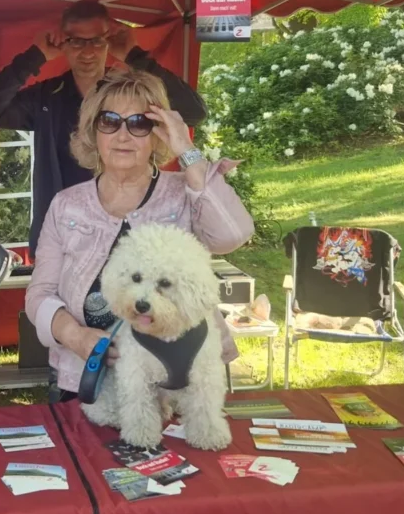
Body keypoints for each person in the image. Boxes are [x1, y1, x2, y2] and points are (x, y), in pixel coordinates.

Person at [24, 69, 253, 402]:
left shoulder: (185, 191)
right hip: (89, 378)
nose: (123, 134)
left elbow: (234, 235)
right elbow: (39, 293)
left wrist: (187, 149)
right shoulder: (66, 205)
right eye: (110, 121)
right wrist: (74, 336)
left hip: (180, 382)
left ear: (158, 134)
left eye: (139, 124)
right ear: (93, 130)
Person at [0, 0, 207, 256]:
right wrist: (34, 57)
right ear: (63, 44)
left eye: (96, 41)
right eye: (77, 41)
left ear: (108, 41)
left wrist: (134, 56)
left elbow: (193, 112)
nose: (87, 52)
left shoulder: (132, 94)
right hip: (62, 237)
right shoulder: (46, 97)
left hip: (128, 235)